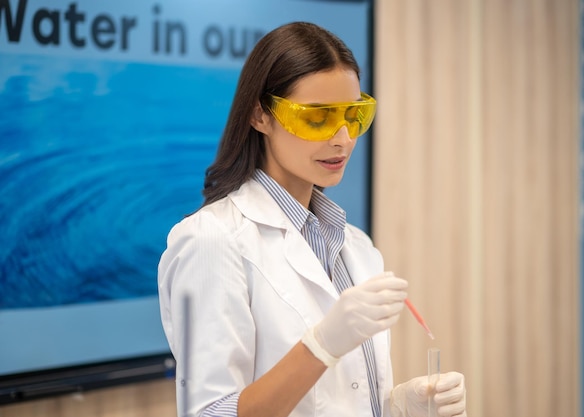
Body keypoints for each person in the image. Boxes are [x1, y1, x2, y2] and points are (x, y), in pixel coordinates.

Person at [158, 21, 467, 417]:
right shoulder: (211, 240)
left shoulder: (355, 247)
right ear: (260, 116)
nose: (342, 138)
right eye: (317, 118)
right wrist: (319, 347)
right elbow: (209, 413)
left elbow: (335, 401)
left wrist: (398, 407)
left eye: (353, 115)